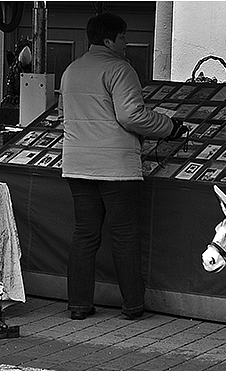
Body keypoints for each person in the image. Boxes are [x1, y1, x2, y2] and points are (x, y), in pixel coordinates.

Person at [59, 13, 187, 321]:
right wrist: (169, 127)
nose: (126, 43)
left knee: (84, 235)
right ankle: (132, 306)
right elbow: (131, 116)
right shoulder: (119, 69)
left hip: (77, 164)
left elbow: (64, 116)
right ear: (109, 40)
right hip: (115, 167)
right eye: (123, 38)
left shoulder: (71, 70)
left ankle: (78, 305)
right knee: (125, 235)